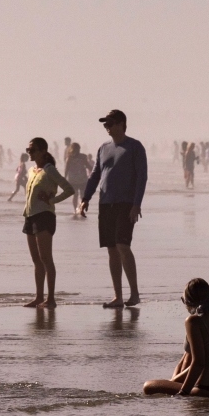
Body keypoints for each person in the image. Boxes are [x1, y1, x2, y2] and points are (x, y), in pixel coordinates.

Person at [78, 109, 147, 308]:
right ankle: (118, 296)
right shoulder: (103, 148)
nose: (106, 127)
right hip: (106, 204)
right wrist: (85, 198)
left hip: (126, 204)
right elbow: (95, 175)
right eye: (105, 124)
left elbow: (142, 177)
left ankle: (134, 294)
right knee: (112, 249)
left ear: (121, 124)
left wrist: (136, 204)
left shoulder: (134, 146)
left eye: (110, 123)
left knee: (123, 246)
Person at [21, 138, 74, 309]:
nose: (30, 153)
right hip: (30, 216)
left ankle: (51, 299)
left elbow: (69, 189)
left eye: (33, 150)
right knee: (36, 260)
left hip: (44, 216)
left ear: (43, 151)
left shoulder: (49, 169)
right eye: (28, 150)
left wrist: (52, 200)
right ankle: (39, 297)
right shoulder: (31, 170)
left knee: (46, 259)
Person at [63, 143, 91, 214]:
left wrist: (94, 172)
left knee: (82, 195)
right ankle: (75, 209)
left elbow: (87, 165)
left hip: (82, 179)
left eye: (78, 149)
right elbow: (66, 169)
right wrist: (64, 178)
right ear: (72, 149)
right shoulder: (69, 158)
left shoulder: (83, 157)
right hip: (73, 180)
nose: (77, 150)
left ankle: (81, 208)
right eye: (76, 149)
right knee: (75, 195)